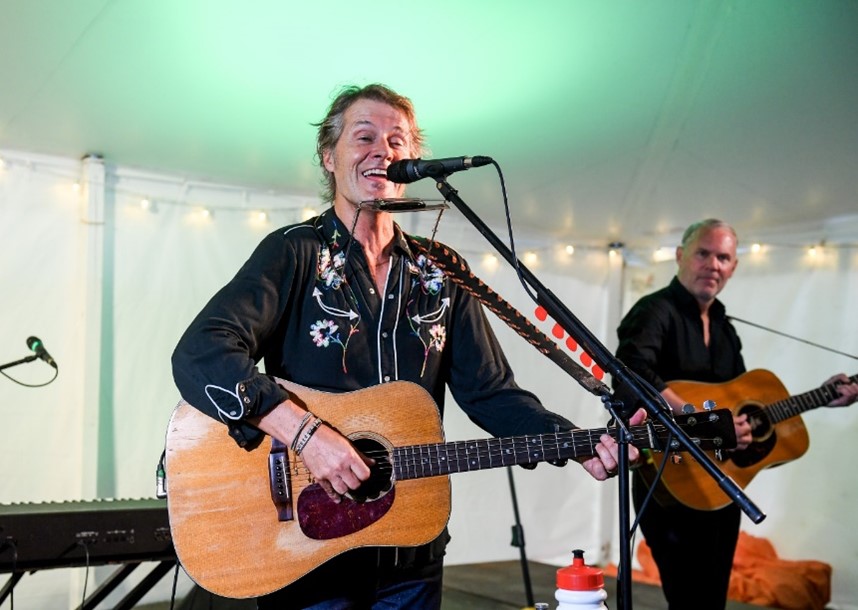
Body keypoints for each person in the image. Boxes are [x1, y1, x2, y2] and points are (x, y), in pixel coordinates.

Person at [171, 83, 644, 609]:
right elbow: (202, 352)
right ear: (329, 156)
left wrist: (576, 443)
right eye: (364, 136)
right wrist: (307, 434)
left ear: (415, 160)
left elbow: (490, 393)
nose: (383, 151)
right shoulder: (295, 251)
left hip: (411, 549)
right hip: (307, 552)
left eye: (398, 141)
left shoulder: (439, 269)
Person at [615, 218, 858, 610]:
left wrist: (822, 396)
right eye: (704, 253)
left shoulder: (726, 327)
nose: (713, 264)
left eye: (723, 257)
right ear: (681, 255)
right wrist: (700, 420)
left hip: (722, 485)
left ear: (733, 267)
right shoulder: (655, 311)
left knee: (712, 599)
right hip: (670, 478)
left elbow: (744, 399)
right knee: (688, 598)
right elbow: (629, 373)